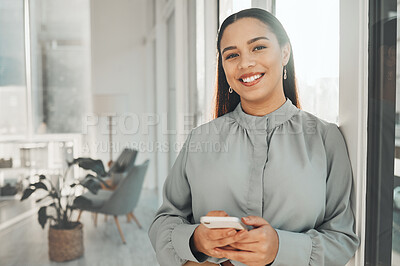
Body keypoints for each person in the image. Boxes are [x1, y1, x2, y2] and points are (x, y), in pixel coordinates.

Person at [148, 8, 360, 266]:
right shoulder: (200, 139)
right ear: (224, 68)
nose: (245, 63)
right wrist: (196, 241)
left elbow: (342, 238)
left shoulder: (326, 138)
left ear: (284, 52)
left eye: (258, 48)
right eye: (232, 55)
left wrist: (280, 248)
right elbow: (164, 221)